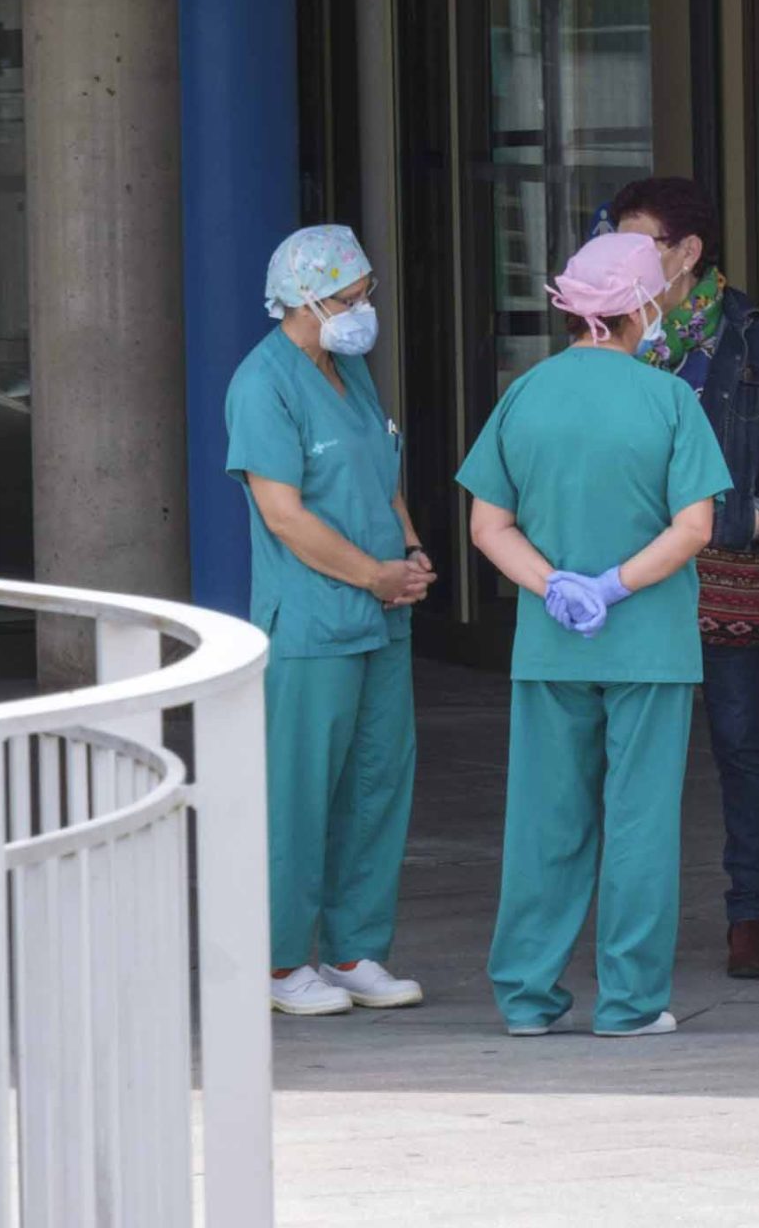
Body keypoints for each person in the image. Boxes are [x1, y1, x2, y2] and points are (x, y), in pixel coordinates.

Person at [456, 231, 732, 1039]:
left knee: (545, 820)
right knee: (640, 822)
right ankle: (629, 1003)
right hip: (650, 645)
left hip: (550, 643)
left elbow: (487, 526)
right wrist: (615, 587)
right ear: (641, 306)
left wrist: (557, 588)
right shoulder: (670, 400)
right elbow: (694, 528)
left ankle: (527, 998)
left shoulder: (526, 395)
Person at [607, 175, 759, 982]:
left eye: (639, 244)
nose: (620, 259)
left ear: (687, 252)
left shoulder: (758, 338)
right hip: (630, 577)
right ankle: (631, 919)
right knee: (632, 751)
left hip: (731, 569)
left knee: (740, 744)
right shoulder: (608, 331)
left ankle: (749, 915)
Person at [227, 224, 434, 1018]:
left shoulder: (350, 370)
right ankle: (279, 963)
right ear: (306, 297)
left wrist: (409, 552)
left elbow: (382, 477)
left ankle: (354, 951)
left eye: (365, 292)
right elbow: (283, 515)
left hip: (382, 613)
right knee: (299, 792)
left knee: (377, 784)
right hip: (314, 619)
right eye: (351, 296)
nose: (364, 307)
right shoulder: (263, 383)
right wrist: (371, 574)